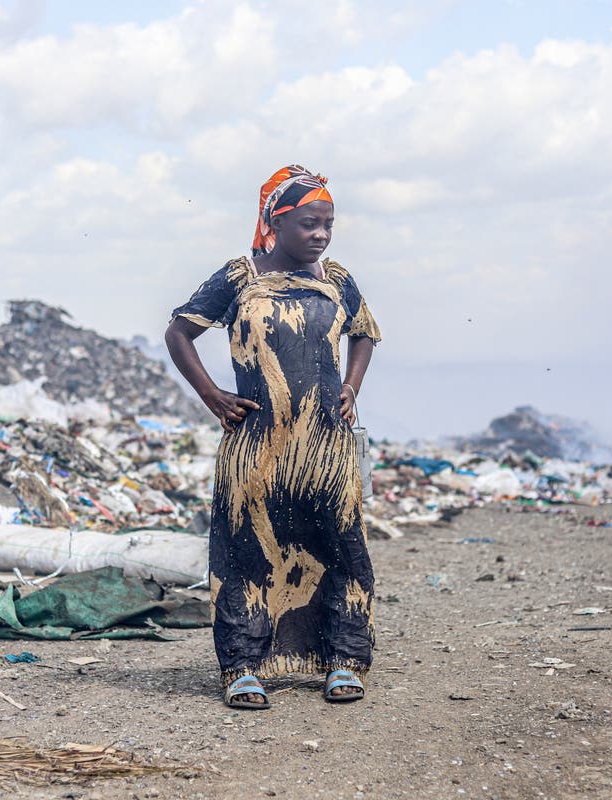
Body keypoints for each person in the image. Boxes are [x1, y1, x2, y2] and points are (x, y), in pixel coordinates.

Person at [165, 165, 381, 709]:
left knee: (339, 549)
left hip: (326, 446)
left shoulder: (337, 278)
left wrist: (351, 387)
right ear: (275, 221)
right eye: (310, 224)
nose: (322, 235)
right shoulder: (239, 278)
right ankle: (242, 666)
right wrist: (212, 394)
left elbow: (365, 333)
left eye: (329, 224)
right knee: (245, 551)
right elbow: (179, 330)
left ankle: (342, 660)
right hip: (256, 445)